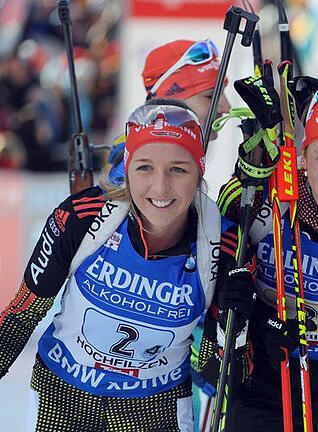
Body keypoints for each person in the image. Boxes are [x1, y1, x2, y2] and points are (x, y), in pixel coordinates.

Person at [0, 100, 251, 431]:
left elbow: (215, 371)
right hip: (62, 396)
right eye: (145, 167)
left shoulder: (223, 245)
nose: (160, 188)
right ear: (128, 168)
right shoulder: (83, 217)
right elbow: (21, 315)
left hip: (155, 408)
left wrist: (235, 330)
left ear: (199, 170)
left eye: (178, 169)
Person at [200, 83, 318, 431]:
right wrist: (256, 321)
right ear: (304, 156)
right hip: (271, 386)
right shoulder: (264, 201)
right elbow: (216, 294)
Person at [107, 39, 232, 184]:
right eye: (210, 96)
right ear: (168, 105)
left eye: (222, 93)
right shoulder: (135, 170)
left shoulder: (167, 158)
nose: (226, 108)